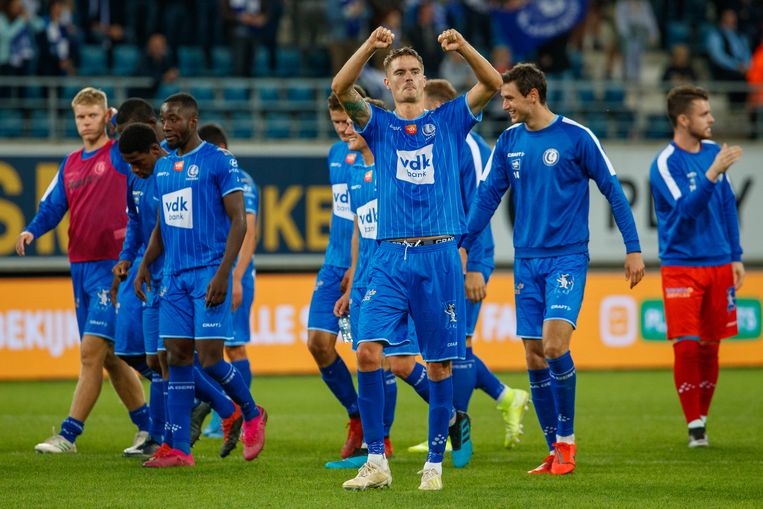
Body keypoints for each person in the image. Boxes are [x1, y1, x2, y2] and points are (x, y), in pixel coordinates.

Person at [332, 26, 502, 491]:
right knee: (367, 352)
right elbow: (340, 89)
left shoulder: (449, 120)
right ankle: (376, 461)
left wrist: (465, 47)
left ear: (425, 80)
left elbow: (491, 84)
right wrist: (368, 46)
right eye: (399, 73)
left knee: (441, 364)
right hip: (389, 257)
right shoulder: (379, 126)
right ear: (386, 84)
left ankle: (433, 465)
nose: (407, 78)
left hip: (440, 256)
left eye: (414, 72)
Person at [461, 63, 645, 476]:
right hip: (527, 260)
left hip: (567, 257)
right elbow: (486, 198)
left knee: (555, 346)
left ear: (532, 95)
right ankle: (552, 451)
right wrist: (461, 245)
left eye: (508, 97)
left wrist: (633, 249)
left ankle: (566, 441)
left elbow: (613, 191)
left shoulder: (577, 137)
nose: (502, 104)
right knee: (533, 354)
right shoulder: (508, 142)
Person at [134, 93, 266, 467]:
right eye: (163, 120)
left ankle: (252, 414)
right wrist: (146, 263)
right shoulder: (162, 170)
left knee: (209, 359)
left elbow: (239, 220)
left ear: (192, 122)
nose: (167, 126)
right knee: (176, 357)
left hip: (210, 272)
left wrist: (226, 273)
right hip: (174, 277)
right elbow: (163, 224)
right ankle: (179, 449)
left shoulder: (220, 161)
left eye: (173, 119)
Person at [17, 87, 149, 454]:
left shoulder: (120, 155)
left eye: (93, 115)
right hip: (80, 266)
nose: (86, 122)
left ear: (106, 116)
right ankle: (148, 426)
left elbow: (140, 154)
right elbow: (51, 207)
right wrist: (32, 229)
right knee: (108, 356)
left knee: (91, 352)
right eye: (80, 117)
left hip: (112, 266)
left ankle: (68, 434)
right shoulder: (71, 163)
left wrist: (120, 125)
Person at [422, 78, 530, 450]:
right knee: (446, 345)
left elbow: (481, 204)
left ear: (437, 106)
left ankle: (453, 435)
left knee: (459, 344)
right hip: (447, 254)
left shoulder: (468, 145)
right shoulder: (435, 140)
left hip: (470, 254)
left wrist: (474, 267)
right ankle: (504, 397)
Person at [649, 85, 744, 448]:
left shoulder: (712, 154)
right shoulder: (665, 163)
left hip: (719, 262)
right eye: (705, 113)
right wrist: (712, 173)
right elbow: (686, 210)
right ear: (684, 119)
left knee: (711, 347)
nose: (712, 119)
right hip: (682, 266)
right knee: (687, 346)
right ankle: (694, 426)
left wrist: (735, 255)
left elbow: (726, 207)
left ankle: (702, 418)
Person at [307, 90, 364, 461]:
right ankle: (357, 416)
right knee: (317, 343)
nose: (343, 129)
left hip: (369, 263)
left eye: (348, 121)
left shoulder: (377, 151)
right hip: (334, 261)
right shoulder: (334, 155)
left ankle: (381, 436)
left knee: (372, 354)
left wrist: (358, 269)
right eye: (337, 123)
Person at [196, 123, 259, 438]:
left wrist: (236, 278)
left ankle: (242, 416)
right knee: (210, 351)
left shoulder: (240, 181)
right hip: (212, 273)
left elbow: (249, 230)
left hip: (235, 276)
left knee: (233, 348)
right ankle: (226, 412)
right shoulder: (210, 179)